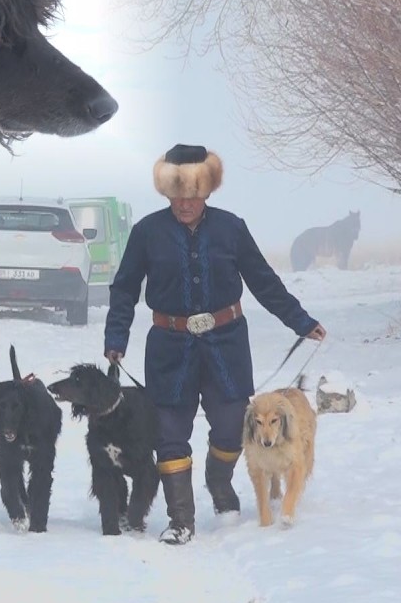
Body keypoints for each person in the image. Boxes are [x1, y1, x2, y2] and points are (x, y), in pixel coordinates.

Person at [103, 144, 327, 545]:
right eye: (177, 196)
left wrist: (301, 321)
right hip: (169, 347)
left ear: (206, 192)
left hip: (226, 345)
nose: (185, 204)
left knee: (230, 426)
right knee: (169, 432)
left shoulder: (231, 228)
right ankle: (181, 520)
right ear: (166, 193)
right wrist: (115, 339)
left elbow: (263, 281)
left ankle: (218, 481)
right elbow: (123, 290)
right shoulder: (146, 233)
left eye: (193, 196)